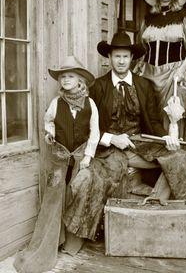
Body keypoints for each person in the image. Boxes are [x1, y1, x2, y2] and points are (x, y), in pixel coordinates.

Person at [88, 31, 186, 210]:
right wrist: (111, 138)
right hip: (109, 148)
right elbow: (88, 126)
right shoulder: (98, 87)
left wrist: (165, 137)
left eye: (125, 56)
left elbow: (153, 121)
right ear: (109, 57)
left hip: (139, 144)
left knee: (182, 158)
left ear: (132, 58)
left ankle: (162, 207)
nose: (121, 61)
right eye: (117, 56)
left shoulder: (144, 85)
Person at [14, 56, 100, 273]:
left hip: (80, 157)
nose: (65, 80)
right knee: (55, 196)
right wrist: (50, 133)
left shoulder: (90, 104)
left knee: (76, 192)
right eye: (62, 77)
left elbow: (95, 133)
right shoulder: (56, 103)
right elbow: (48, 121)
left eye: (70, 76)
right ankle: (51, 243)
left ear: (80, 80)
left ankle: (71, 242)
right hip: (60, 157)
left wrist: (88, 156)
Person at [135, 0, 186, 139]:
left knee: (171, 115)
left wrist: (181, 70)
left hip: (174, 73)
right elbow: (142, 46)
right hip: (148, 72)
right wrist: (140, 67)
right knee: (149, 114)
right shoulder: (148, 18)